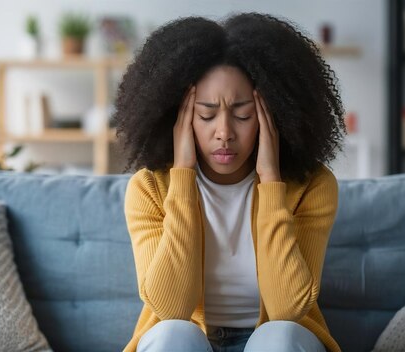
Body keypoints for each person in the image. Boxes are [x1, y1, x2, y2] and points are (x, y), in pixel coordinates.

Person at [114, 12, 347, 352]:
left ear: (276, 114)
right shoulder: (149, 189)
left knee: (279, 335)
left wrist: (271, 182)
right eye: (206, 114)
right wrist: (181, 176)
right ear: (180, 118)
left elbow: (288, 310)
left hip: (273, 343)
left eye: (242, 115)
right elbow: (170, 308)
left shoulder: (312, 186)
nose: (224, 133)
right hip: (188, 344)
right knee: (173, 334)